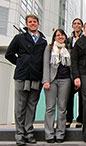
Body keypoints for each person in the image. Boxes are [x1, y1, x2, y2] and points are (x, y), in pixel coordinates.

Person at [5, 14, 47, 146]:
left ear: (38, 24)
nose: (33, 24)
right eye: (30, 22)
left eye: (35, 22)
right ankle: (19, 134)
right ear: (27, 24)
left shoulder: (43, 40)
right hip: (22, 76)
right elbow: (9, 54)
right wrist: (21, 63)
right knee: (20, 107)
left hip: (36, 77)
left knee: (31, 106)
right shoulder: (19, 38)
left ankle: (29, 132)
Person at [42, 29, 71, 143]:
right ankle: (49, 134)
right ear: (54, 38)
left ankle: (60, 134)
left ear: (65, 37)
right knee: (50, 108)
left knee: (62, 108)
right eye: (57, 35)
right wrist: (46, 80)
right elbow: (45, 65)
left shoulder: (68, 49)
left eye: (62, 35)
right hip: (51, 81)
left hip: (65, 81)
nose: (60, 37)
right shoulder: (49, 48)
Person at [66, 18, 84, 128]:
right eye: (75, 23)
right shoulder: (68, 39)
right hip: (70, 71)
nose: (77, 25)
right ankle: (68, 118)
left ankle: (80, 119)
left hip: (82, 71)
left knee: (82, 97)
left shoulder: (85, 38)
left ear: (81, 26)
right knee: (69, 96)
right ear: (72, 26)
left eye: (79, 24)